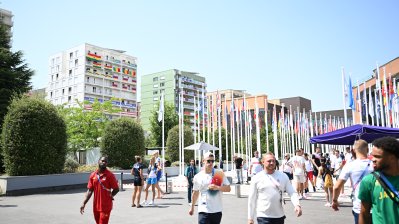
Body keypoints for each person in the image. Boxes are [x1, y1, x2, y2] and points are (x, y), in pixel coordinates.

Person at [248, 152, 302, 224]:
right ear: (263, 162)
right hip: (263, 216)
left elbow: (291, 192)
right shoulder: (257, 178)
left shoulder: (283, 176)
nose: (271, 163)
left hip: (279, 216)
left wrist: (297, 205)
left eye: (273, 161)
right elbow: (252, 199)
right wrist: (250, 218)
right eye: (269, 161)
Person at [358, 137, 399, 224]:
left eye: (377, 157)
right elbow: (364, 213)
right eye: (372, 155)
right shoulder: (369, 181)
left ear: (392, 158)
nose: (373, 159)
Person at [331, 140, 373, 224]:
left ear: (353, 150)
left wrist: (335, 201)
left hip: (359, 206)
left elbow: (336, 187)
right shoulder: (375, 164)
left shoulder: (350, 165)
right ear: (368, 150)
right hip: (376, 206)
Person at [189, 152, 231, 224]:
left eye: (212, 161)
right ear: (203, 161)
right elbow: (195, 192)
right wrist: (192, 207)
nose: (211, 163)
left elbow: (228, 188)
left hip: (216, 210)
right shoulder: (198, 176)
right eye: (208, 161)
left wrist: (217, 187)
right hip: (203, 210)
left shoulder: (219, 173)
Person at [80, 156, 119, 224]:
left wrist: (111, 196)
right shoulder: (93, 175)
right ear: (98, 161)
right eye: (102, 161)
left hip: (105, 207)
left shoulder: (110, 175)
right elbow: (90, 190)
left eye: (105, 162)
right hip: (96, 206)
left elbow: (116, 189)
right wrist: (84, 203)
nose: (104, 162)